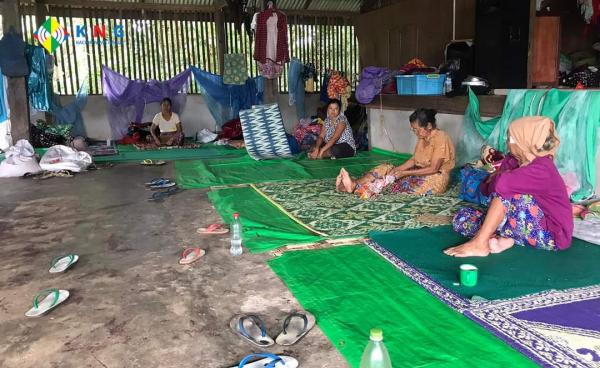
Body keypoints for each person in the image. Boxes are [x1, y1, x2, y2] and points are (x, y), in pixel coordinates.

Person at [444, 116, 573, 257]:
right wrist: (498, 178)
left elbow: (499, 185)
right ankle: (504, 240)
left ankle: (480, 243)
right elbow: (486, 189)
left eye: (511, 139)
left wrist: (498, 178)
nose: (507, 143)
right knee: (461, 218)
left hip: (550, 234)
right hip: (524, 224)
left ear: (525, 143)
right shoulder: (513, 160)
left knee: (508, 191)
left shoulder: (543, 168)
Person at [336, 108, 455, 198]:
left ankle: (366, 189)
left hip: (434, 176)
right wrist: (397, 170)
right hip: (418, 171)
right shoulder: (423, 137)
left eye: (417, 129)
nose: (415, 132)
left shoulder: (441, 138)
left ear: (428, 126)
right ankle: (354, 184)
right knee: (386, 168)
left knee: (408, 184)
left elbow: (434, 169)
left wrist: (404, 173)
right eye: (413, 129)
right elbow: (414, 160)